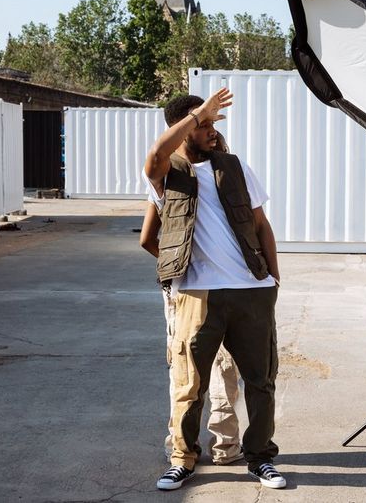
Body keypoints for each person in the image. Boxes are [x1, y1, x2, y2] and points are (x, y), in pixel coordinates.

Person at [144, 88, 285, 491]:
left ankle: (260, 459)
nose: (211, 130)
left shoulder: (235, 167)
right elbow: (154, 158)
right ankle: (182, 459)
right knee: (190, 384)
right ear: (181, 129)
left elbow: (261, 226)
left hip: (250, 291)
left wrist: (272, 280)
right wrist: (194, 116)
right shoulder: (166, 173)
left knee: (260, 381)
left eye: (211, 123)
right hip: (197, 295)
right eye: (203, 124)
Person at [138, 130, 244, 468]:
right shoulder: (217, 184)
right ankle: (226, 446)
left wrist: (178, 267)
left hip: (186, 290)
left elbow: (147, 239)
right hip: (219, 287)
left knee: (184, 373)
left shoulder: (174, 183)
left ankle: (181, 446)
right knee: (223, 368)